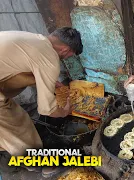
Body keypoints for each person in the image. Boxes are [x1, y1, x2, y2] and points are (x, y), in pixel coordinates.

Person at [0, 27, 83, 176]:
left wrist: (49, 82)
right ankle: (43, 167)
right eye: (69, 56)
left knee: (8, 128)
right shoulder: (50, 57)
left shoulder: (35, 40)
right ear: (64, 49)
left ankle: (10, 156)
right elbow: (47, 110)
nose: (66, 59)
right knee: (20, 128)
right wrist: (65, 111)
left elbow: (15, 71)